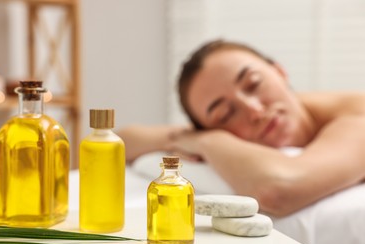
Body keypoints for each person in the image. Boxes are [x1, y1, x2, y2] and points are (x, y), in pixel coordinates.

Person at [117, 39, 365, 217]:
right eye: (225, 114)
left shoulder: (357, 115)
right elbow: (120, 141)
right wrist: (194, 136)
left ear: (280, 71)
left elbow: (278, 190)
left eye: (253, 84)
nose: (255, 111)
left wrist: (208, 141)